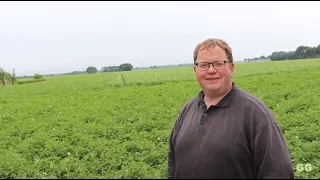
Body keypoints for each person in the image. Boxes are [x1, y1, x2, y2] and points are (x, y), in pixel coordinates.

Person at [167, 38, 294, 179]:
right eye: (203, 65)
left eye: (218, 64)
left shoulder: (255, 113)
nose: (211, 70)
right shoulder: (187, 110)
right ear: (195, 69)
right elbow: (173, 166)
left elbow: (278, 173)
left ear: (231, 68)